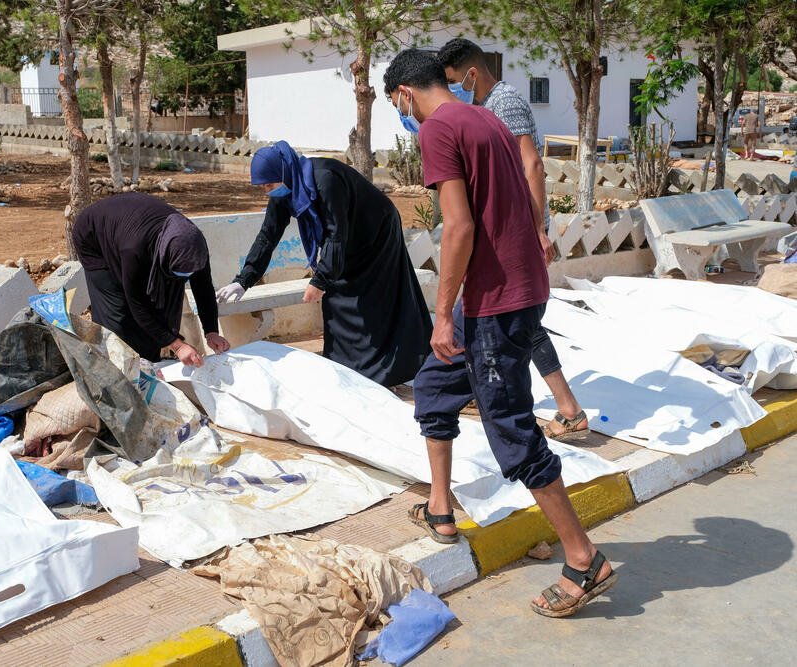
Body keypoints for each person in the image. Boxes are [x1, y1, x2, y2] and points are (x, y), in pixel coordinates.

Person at [383, 49, 617, 617]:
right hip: (509, 288)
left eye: (397, 106)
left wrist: (442, 314)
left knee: (510, 427)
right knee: (436, 387)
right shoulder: (483, 115)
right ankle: (442, 507)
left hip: (495, 302)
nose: (403, 115)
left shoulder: (438, 129)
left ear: (404, 96)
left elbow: (458, 226)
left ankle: (584, 558)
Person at [438, 38, 587, 441]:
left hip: (518, 232)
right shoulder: (482, 107)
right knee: (512, 318)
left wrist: (537, 230)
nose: (451, 90)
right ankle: (483, 388)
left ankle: (567, 408)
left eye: (453, 81)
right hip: (506, 230)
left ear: (471, 73)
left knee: (516, 319)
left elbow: (532, 165)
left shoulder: (504, 102)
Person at [216, 141, 433, 387]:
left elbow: (334, 233)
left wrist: (320, 279)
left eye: (268, 185)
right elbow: (268, 236)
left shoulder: (325, 179)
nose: (267, 191)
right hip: (344, 242)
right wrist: (244, 280)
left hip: (376, 233)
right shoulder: (285, 187)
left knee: (372, 303)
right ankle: (346, 371)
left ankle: (385, 373)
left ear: (282, 173)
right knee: (337, 302)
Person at [73, 192, 230, 368]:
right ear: (164, 257)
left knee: (163, 305)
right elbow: (137, 302)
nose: (184, 278)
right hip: (93, 238)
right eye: (178, 272)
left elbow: (204, 289)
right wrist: (177, 346)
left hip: (135, 229)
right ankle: (115, 368)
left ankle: (150, 364)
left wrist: (211, 331)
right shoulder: (134, 250)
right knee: (118, 312)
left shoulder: (194, 246)